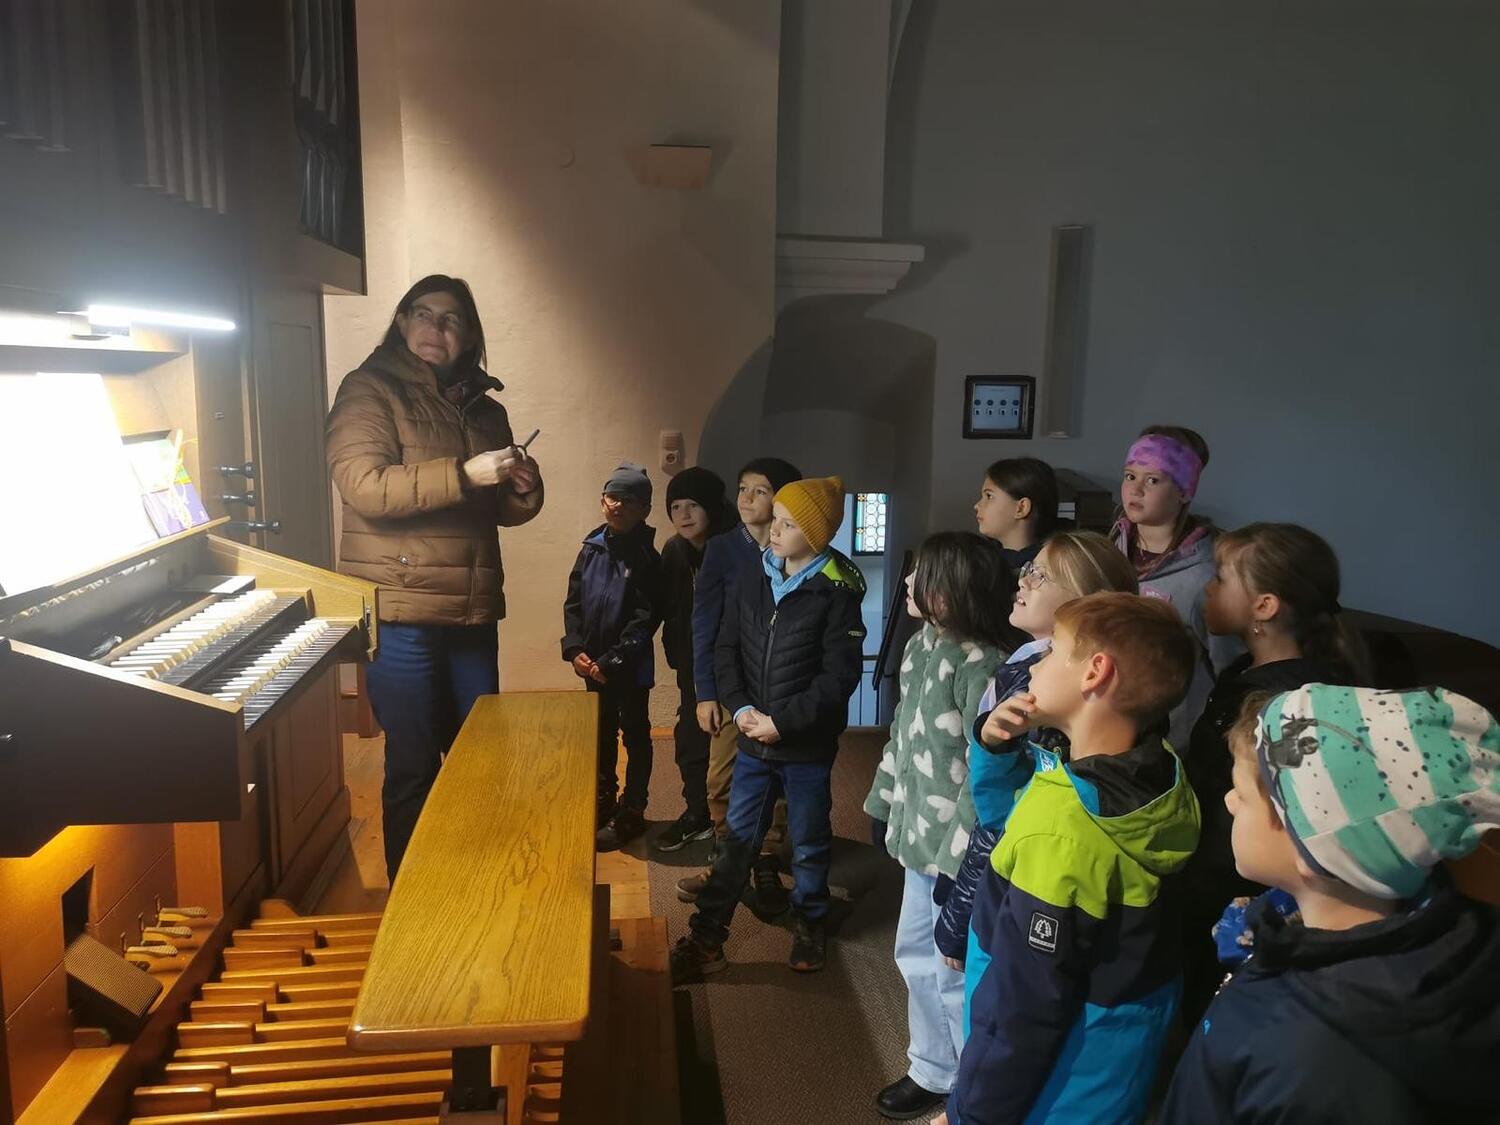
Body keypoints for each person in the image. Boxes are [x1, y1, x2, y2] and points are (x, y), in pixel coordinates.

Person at [1160, 685, 1500, 1124]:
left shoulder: (1318, 1066)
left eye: (1242, 795)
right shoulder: (1307, 936)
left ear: (1313, 850)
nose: (1228, 800)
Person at [944, 593, 1199, 1125]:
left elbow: (1023, 1009)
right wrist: (997, 748)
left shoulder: (1063, 830)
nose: (1036, 664)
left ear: (1094, 672)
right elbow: (1007, 822)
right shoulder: (1159, 773)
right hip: (1112, 1067)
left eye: (1053, 652)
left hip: (1047, 1092)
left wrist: (971, 1112)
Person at [326, 274, 543, 880]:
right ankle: (414, 902)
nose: (434, 328)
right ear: (401, 322)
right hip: (401, 613)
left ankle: (475, 883)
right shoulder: (368, 389)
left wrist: (523, 487)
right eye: (422, 314)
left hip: (471, 609)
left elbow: (497, 511)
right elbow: (365, 488)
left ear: (469, 335)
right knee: (415, 764)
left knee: (481, 757)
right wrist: (467, 474)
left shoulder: (487, 409)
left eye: (451, 319)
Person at [933, 532, 1139, 1017]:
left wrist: (961, 913)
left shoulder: (1056, 696)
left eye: (1040, 575)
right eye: (1028, 569)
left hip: (1018, 883)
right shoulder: (1025, 662)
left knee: (989, 1000)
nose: (1023, 580)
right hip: (994, 864)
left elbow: (1008, 819)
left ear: (1085, 603)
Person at [670, 476, 866, 980]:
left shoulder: (836, 591)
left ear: (816, 536)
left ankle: (810, 921)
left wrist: (785, 722)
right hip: (754, 738)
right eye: (775, 520)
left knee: (809, 839)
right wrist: (739, 709)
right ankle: (707, 938)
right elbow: (727, 647)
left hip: (804, 744)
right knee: (737, 841)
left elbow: (838, 677)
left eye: (787, 524)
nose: (773, 531)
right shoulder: (755, 576)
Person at [1177, 522, 1369, 1024]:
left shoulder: (1288, 702)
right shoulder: (1247, 671)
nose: (1208, 589)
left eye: (1220, 578)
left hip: (1234, 886)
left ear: (1263, 606)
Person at [864, 533, 1014, 1121]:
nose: (907, 583)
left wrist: (960, 862)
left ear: (952, 592)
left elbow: (986, 775)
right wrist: (883, 802)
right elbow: (902, 734)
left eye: (920, 575)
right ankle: (932, 1066)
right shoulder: (919, 644)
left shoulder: (985, 663)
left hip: (956, 853)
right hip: (918, 839)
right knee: (914, 953)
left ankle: (968, 1081)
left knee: (955, 969)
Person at [677, 457, 803, 911]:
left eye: (760, 490)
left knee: (777, 775)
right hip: (732, 685)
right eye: (743, 488)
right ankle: (725, 858)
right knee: (721, 777)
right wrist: (705, 692)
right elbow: (704, 623)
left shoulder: (796, 548)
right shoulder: (723, 549)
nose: (747, 498)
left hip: (781, 685)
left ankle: (766, 858)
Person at [1113, 424, 1240, 750]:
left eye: (1152, 480)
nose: (1135, 489)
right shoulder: (1111, 549)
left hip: (1177, 742)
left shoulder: (1206, 574)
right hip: (1113, 726)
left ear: (1184, 491)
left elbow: (1229, 668)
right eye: (1130, 476)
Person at [560, 462, 661, 851]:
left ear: (644, 510)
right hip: (592, 666)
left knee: (635, 734)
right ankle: (603, 797)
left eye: (629, 500)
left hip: (628, 668)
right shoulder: (591, 549)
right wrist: (575, 649)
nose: (619, 505)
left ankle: (633, 808)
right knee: (600, 733)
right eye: (613, 496)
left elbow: (645, 618)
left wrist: (611, 661)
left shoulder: (647, 558)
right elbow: (573, 603)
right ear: (602, 500)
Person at [654, 466, 734, 852]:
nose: (683, 514)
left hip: (733, 667)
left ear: (712, 507)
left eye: (693, 505)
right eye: (675, 506)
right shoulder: (674, 550)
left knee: (729, 748)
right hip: (691, 665)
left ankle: (734, 829)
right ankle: (698, 815)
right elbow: (666, 606)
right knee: (690, 739)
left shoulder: (736, 548)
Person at [973, 457, 1059, 572]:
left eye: (989, 496)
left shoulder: (1053, 570)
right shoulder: (979, 561)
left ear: (1021, 508)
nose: (976, 506)